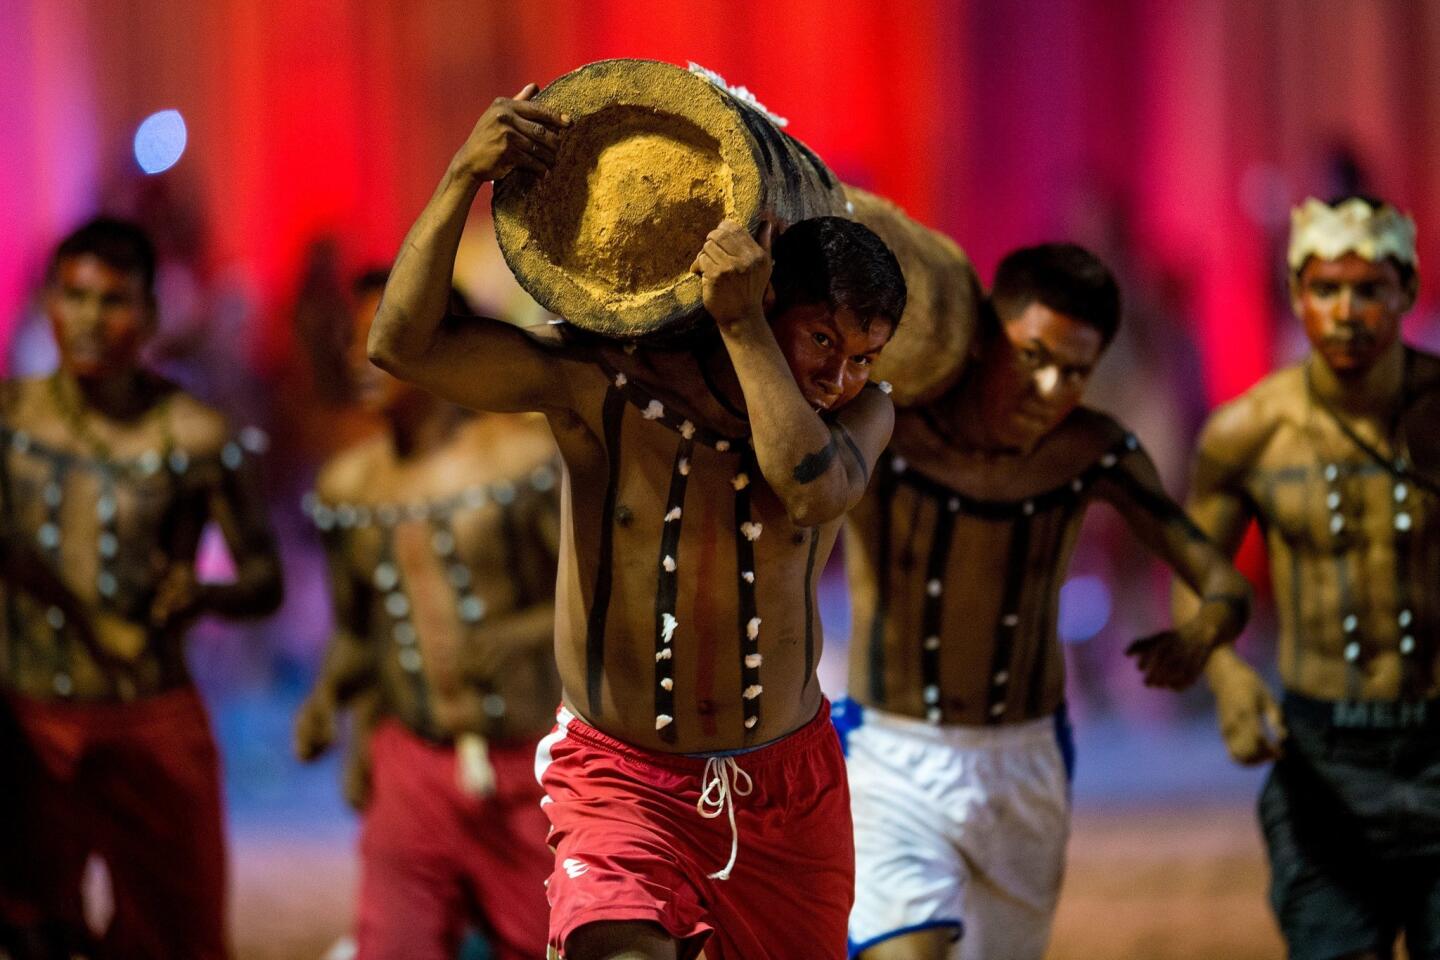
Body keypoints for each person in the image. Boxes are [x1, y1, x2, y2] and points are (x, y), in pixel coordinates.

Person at [368, 85, 906, 960]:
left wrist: (746, 331)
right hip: (623, 785)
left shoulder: (863, 418)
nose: (843, 375)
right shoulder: (601, 386)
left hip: (789, 793)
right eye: (822, 342)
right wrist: (463, 174)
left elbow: (807, 490)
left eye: (863, 358)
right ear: (766, 294)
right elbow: (402, 345)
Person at [840, 242, 1251, 960]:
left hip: (1025, 763)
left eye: (1077, 371)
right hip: (894, 754)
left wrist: (1204, 632)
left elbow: (1218, 577)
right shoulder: (891, 433)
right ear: (989, 336)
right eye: (1035, 357)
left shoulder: (1091, 449)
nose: (1053, 387)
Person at [0, 217, 283, 959]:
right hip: (31, 726)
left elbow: (264, 580)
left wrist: (202, 595)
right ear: (49, 306)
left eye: (113, 301)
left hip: (152, 721)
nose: (90, 321)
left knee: (176, 938)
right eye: (73, 297)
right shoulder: (11, 423)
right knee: (30, 930)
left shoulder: (196, 437)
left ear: (153, 316)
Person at [1180, 196, 1440, 960]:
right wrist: (1226, 674)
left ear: (1406, 292)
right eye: (1326, 289)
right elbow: (1198, 571)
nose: (1346, 310)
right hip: (1320, 759)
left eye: (1369, 289)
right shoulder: (1251, 430)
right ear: (1298, 295)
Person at [294, 270, 561, 960]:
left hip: (531, 767)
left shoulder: (523, 461)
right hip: (412, 766)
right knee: (395, 944)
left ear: (447, 346)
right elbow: (358, 629)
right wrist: (333, 702)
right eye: (351, 342)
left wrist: (521, 635)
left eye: (382, 336)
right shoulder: (349, 487)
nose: (361, 358)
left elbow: (601, 602)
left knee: (549, 940)